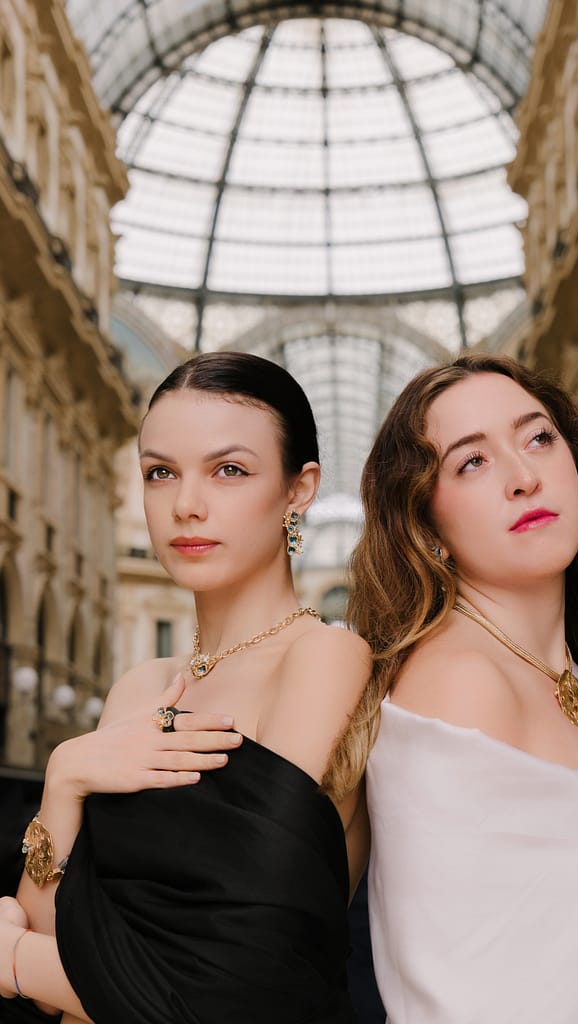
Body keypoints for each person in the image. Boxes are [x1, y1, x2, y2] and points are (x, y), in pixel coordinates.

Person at [0, 352, 372, 1023]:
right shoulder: (138, 688)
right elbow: (50, 967)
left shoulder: (324, 657)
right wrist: (64, 779)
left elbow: (230, 993)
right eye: (160, 472)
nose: (185, 506)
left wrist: (15, 962)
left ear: (299, 489)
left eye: (229, 470)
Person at [348, 352, 578, 1023]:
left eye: (537, 438)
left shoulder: (574, 680)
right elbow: (460, 1003)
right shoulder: (460, 686)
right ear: (425, 525)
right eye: (472, 461)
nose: (524, 477)